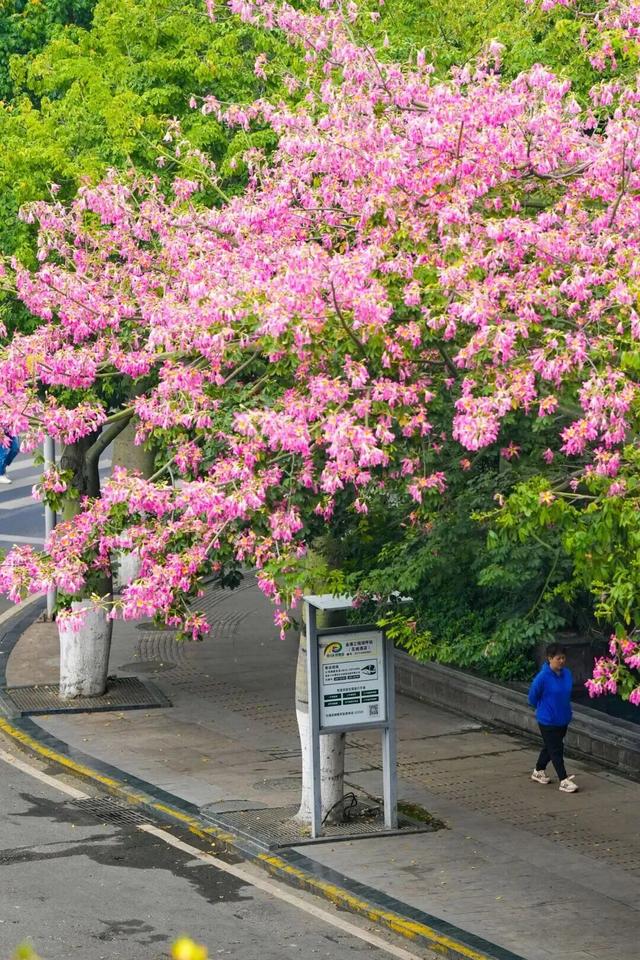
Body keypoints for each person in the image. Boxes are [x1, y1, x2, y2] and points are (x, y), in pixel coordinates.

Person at [528, 642, 578, 793]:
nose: (562, 661)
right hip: (547, 720)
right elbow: (532, 697)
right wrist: (545, 708)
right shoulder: (542, 677)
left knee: (550, 747)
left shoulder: (567, 674)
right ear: (549, 658)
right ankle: (563, 780)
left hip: (563, 718)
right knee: (557, 749)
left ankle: (538, 770)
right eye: (558, 658)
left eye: (563, 658)